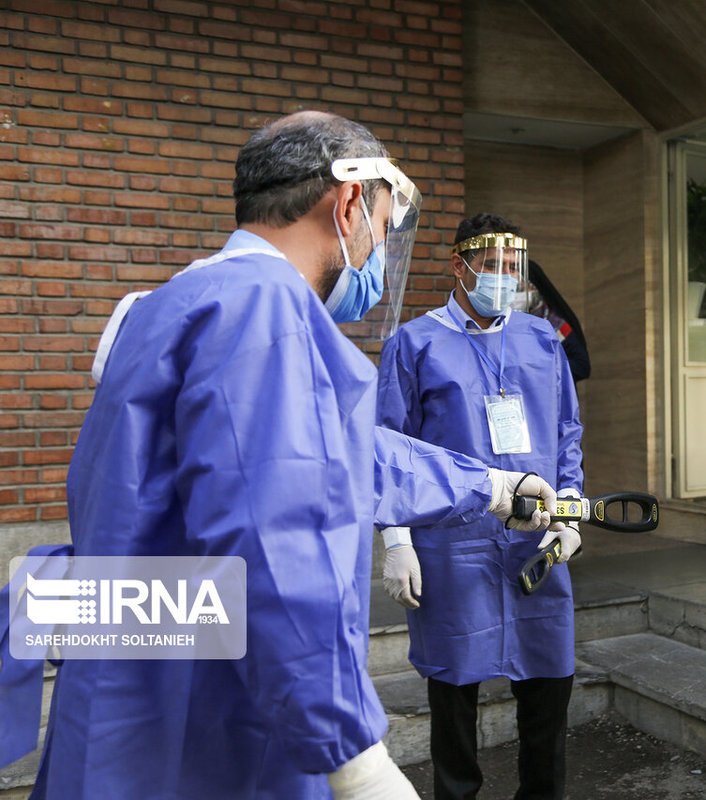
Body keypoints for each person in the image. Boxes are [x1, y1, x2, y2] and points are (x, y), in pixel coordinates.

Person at [13, 111, 560, 800]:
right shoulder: (264, 308)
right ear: (351, 203)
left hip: (135, 691)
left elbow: (340, 457)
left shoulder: (176, 303)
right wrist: (353, 758)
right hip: (213, 722)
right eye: (382, 235)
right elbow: (274, 541)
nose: (375, 259)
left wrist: (494, 487)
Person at [377, 213, 584, 800]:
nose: (503, 280)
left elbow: (567, 433)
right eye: (491, 268)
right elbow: (388, 446)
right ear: (459, 267)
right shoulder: (414, 343)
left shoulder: (542, 339)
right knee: (453, 691)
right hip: (452, 541)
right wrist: (397, 541)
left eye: (512, 270)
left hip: (535, 534)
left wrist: (570, 512)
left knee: (548, 685)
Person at [514, 258, 590, 383]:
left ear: (534, 289)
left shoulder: (555, 325)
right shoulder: (506, 323)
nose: (515, 295)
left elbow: (582, 367)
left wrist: (542, 367)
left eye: (520, 289)